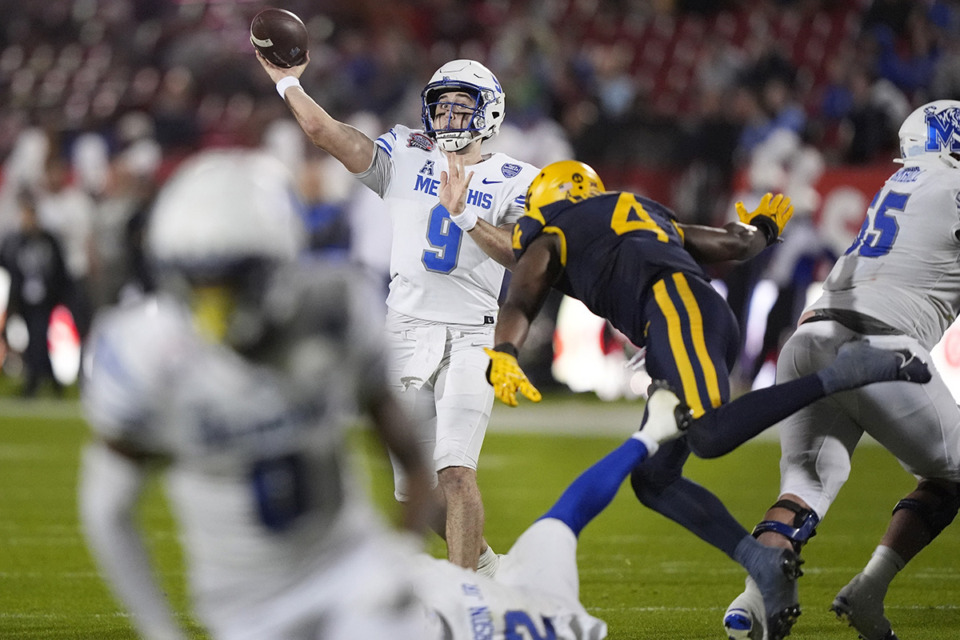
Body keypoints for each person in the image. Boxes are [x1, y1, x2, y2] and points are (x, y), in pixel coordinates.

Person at [482, 160, 932, 640]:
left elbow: (520, 300)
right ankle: (759, 559)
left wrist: (505, 350)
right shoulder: (637, 210)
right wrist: (763, 226)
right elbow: (735, 244)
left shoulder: (554, 233)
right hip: (694, 316)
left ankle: (844, 373)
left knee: (710, 434)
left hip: (676, 315)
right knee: (654, 480)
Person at [78, 150, 435, 640]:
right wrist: (160, 630)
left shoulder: (333, 311)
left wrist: (398, 558)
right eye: (199, 282)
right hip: (244, 609)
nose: (215, 304)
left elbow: (412, 458)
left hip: (352, 575)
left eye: (229, 280)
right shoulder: (146, 354)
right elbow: (108, 509)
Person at [256, 52, 540, 573]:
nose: (451, 116)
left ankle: (466, 601)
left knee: (456, 473)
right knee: (416, 488)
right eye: (444, 106)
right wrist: (288, 83)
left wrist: (465, 214)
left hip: (473, 335)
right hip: (404, 329)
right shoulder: (406, 154)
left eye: (463, 106)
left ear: (490, 113)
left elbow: (522, 255)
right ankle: (490, 572)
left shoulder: (517, 178)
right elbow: (325, 132)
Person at [724, 99, 960, 640]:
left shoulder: (898, 186)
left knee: (805, 482)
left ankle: (752, 602)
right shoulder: (952, 184)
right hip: (879, 344)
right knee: (949, 475)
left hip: (809, 335)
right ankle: (869, 591)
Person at [412, 381, 687, 639]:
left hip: (533, 606)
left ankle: (651, 433)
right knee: (565, 518)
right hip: (533, 602)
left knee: (567, 517)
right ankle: (651, 433)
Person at [0, 190, 70, 396]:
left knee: (38, 339)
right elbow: (7, 263)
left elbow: (59, 269)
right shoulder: (16, 242)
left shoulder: (48, 241)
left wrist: (58, 294)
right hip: (25, 300)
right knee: (35, 340)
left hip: (45, 299)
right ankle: (54, 384)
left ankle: (34, 383)